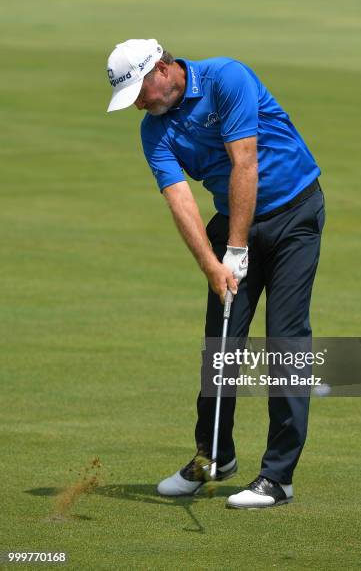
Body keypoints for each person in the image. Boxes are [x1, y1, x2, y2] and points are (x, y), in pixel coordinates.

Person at [106, 38, 325, 509]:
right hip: (234, 220)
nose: (140, 103)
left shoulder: (227, 77)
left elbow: (244, 161)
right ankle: (214, 457)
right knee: (221, 345)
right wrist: (212, 263)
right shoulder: (153, 131)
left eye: (140, 91)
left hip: (293, 213)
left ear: (162, 68)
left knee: (286, 339)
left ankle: (278, 477)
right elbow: (179, 199)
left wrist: (237, 248)